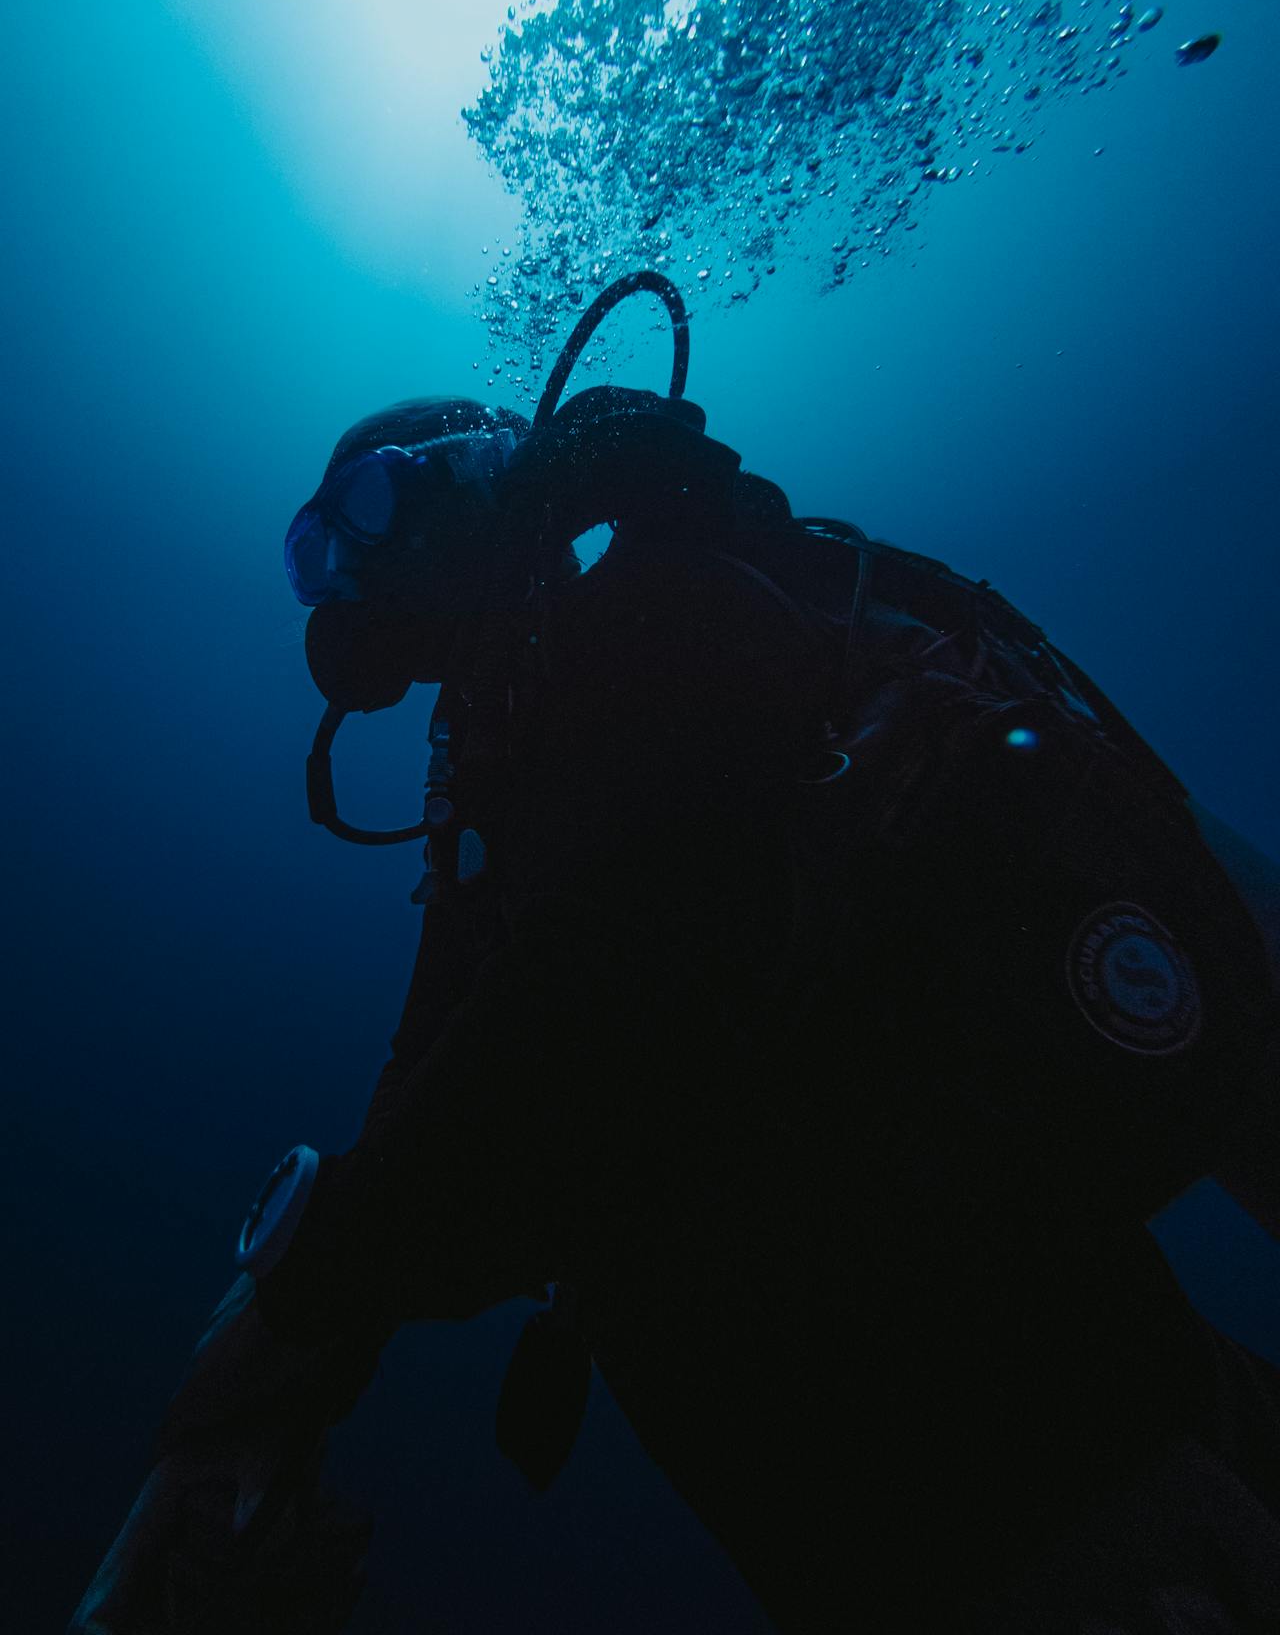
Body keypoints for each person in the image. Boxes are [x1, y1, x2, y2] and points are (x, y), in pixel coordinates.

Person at [72, 273, 1280, 1633]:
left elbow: (623, 993)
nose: (352, 570)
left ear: (483, 482)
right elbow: (439, 1078)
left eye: (375, 508)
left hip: (1042, 1478)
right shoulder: (499, 781)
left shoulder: (658, 612)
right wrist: (303, 1347)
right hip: (901, 1497)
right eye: (321, 549)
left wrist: (312, 1294)